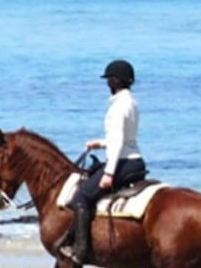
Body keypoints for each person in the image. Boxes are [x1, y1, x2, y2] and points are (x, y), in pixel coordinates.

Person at [59, 59, 147, 265]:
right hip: (136, 160)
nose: (107, 84)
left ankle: (79, 251)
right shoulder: (132, 102)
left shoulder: (118, 107)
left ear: (116, 81)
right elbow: (124, 139)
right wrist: (99, 143)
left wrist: (109, 173)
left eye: (109, 80)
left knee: (80, 197)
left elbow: (117, 142)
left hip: (123, 162)